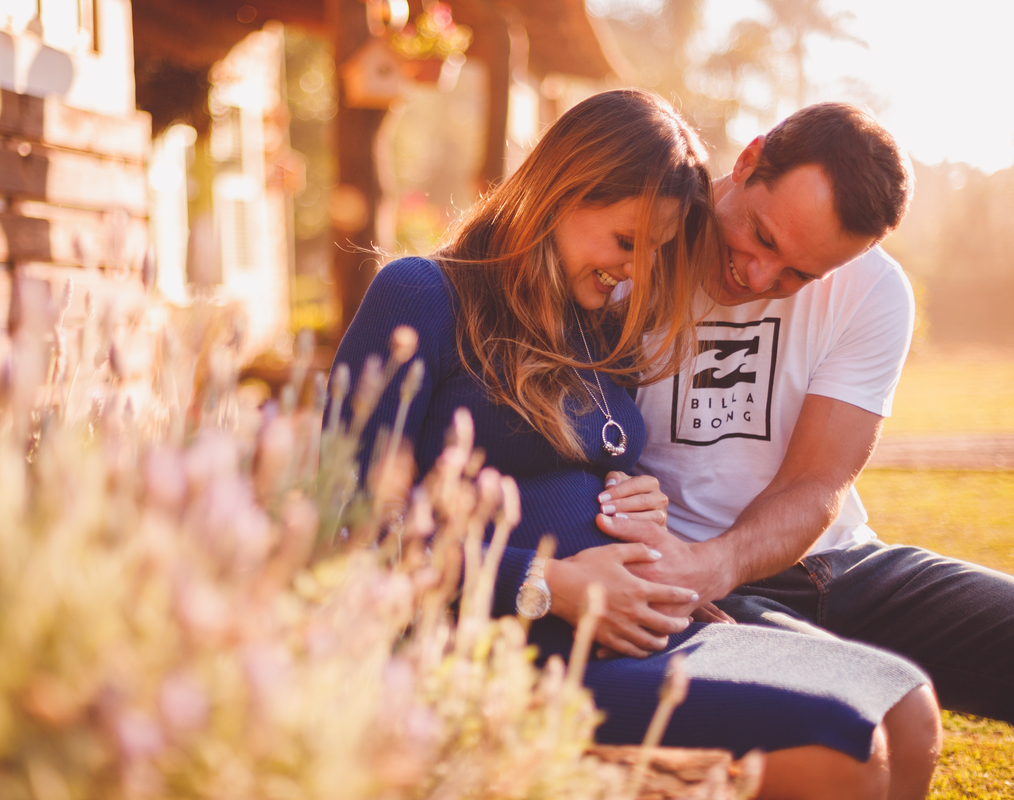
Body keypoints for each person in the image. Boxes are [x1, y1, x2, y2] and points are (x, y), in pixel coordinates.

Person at [330, 89, 940, 800]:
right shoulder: (421, 295)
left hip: (644, 628)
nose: (637, 271)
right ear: (561, 190)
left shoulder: (591, 329)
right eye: (628, 242)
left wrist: (636, 498)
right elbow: (349, 528)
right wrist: (548, 584)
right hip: (523, 649)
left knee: (905, 706)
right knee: (845, 749)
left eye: (655, 251)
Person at [595, 102, 1014, 723]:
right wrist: (686, 571)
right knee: (874, 712)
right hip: (683, 577)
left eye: (799, 273)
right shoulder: (628, 257)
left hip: (838, 562)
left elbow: (816, 482)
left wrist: (718, 563)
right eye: (762, 237)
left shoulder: (874, 290)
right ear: (748, 160)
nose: (759, 275)